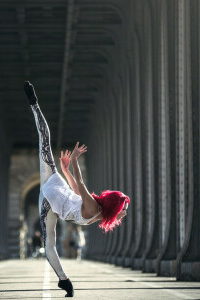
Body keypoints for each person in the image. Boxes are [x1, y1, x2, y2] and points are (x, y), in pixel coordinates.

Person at [24, 81, 130, 297]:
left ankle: (35, 105)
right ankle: (64, 280)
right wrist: (65, 169)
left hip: (50, 196)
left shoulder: (93, 207)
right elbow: (75, 190)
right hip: (57, 191)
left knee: (44, 141)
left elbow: (80, 184)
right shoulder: (98, 213)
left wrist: (73, 161)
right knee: (50, 244)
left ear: (108, 201)